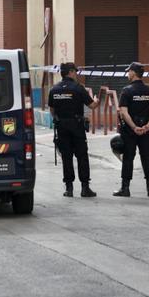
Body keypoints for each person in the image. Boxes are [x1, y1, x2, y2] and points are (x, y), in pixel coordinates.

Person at [48, 62, 99, 198]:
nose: (76, 74)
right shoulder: (78, 88)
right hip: (76, 126)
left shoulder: (54, 89)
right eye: (75, 72)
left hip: (61, 126)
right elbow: (92, 105)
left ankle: (69, 189)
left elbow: (52, 110)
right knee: (82, 156)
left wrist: (59, 119)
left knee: (66, 157)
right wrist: (97, 100)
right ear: (70, 72)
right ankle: (85, 188)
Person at [114, 63, 149, 197]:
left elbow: (123, 111)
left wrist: (134, 127)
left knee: (128, 157)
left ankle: (125, 188)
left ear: (133, 73)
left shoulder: (126, 91)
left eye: (128, 71)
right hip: (146, 129)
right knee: (146, 157)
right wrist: (148, 126)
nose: (127, 74)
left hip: (130, 130)